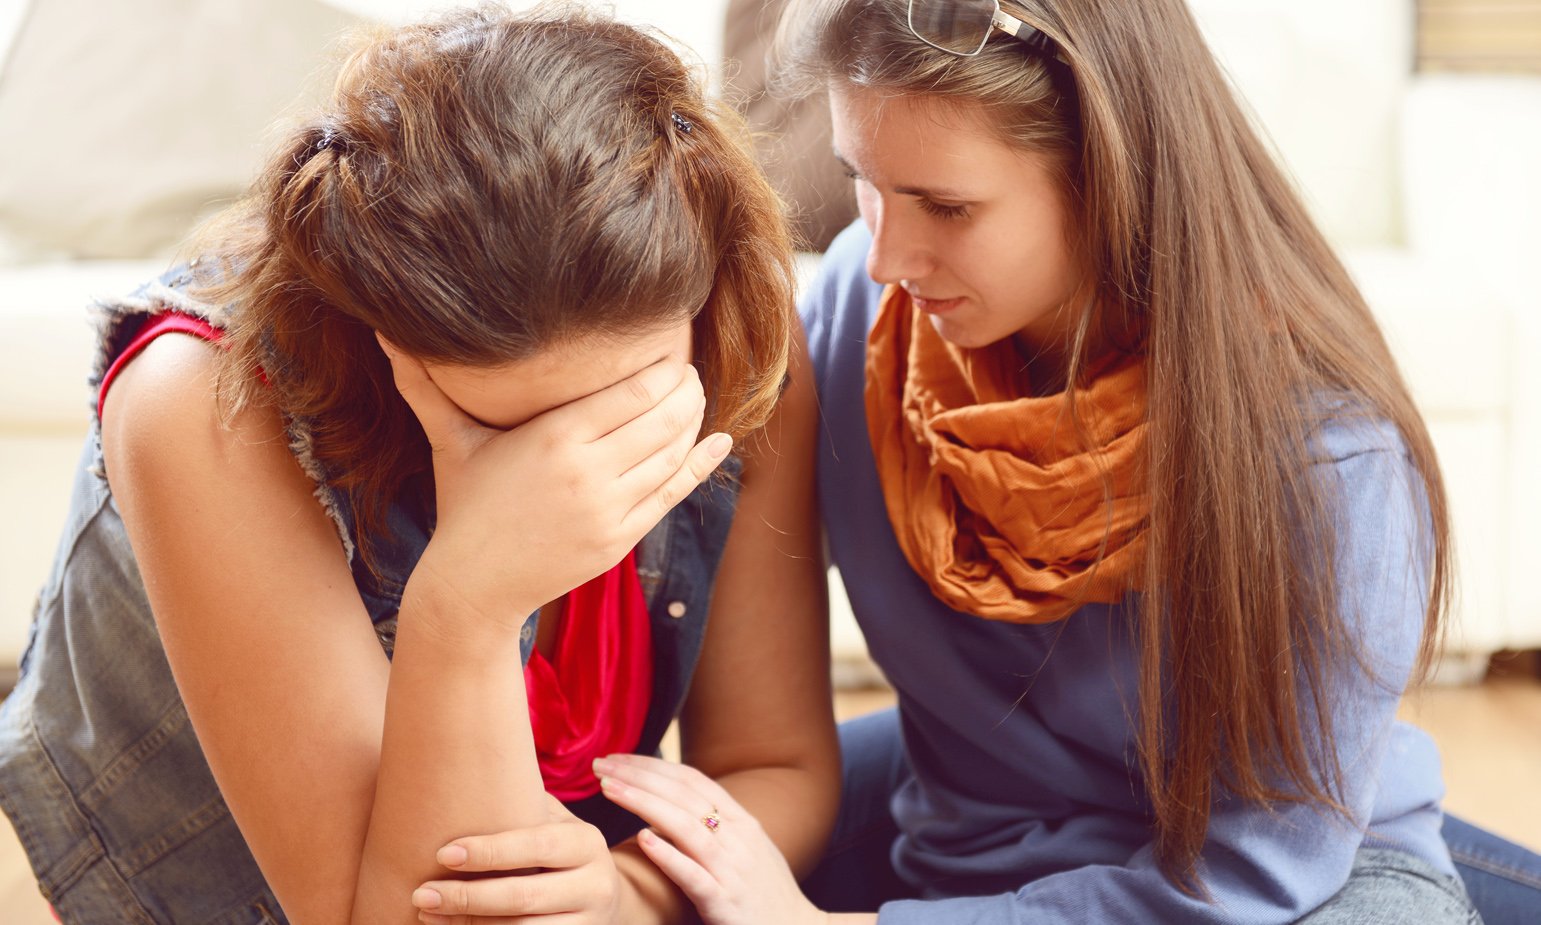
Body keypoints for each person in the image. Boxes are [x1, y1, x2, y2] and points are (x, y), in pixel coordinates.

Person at [596, 1, 1541, 923]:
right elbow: (771, 749)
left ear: (1108, 173)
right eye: (863, 181)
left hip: (1285, 883)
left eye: (947, 206)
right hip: (974, 831)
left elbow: (1257, 877)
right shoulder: (857, 312)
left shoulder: (1328, 457)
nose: (883, 254)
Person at [0, 5, 839, 924]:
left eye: (630, 401)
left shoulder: (732, 337)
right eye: (507, 423)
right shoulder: (198, 397)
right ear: (382, 334)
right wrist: (466, 604)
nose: (572, 458)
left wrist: (626, 892)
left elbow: (774, 766)